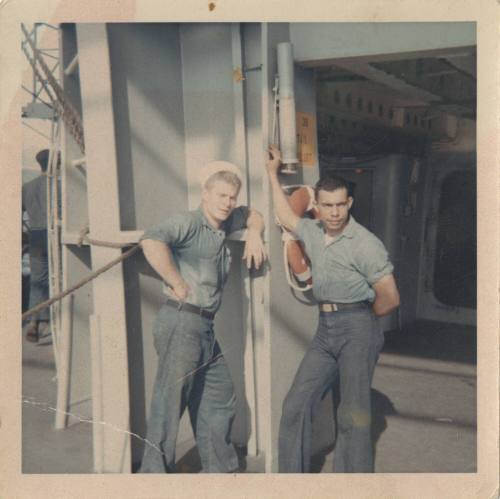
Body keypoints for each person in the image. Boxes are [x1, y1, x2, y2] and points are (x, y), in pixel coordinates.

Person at [265, 145, 400, 473]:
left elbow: (390, 297)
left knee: (352, 416)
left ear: (349, 203)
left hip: (357, 323)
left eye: (341, 204)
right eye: (328, 206)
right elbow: (285, 217)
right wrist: (272, 173)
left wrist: (363, 322)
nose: (335, 212)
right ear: (318, 207)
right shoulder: (311, 231)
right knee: (295, 405)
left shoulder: (365, 243)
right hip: (325, 329)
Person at [139, 161, 266, 473]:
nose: (228, 203)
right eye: (221, 195)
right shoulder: (190, 222)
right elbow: (151, 240)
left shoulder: (226, 220)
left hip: (204, 326)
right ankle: (152, 477)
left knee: (219, 394)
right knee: (169, 403)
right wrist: (177, 281)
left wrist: (254, 234)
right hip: (182, 322)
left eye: (232, 197)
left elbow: (254, 214)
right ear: (205, 194)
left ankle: (219, 470)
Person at [22, 149, 51, 343]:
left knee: (37, 279)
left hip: (35, 235)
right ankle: (49, 321)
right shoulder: (57, 185)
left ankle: (33, 321)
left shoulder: (27, 187)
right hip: (53, 235)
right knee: (59, 277)